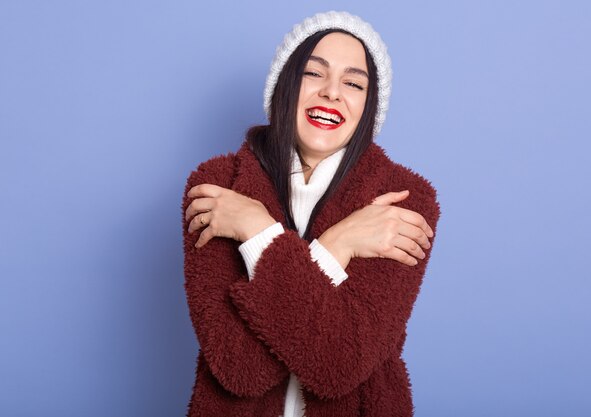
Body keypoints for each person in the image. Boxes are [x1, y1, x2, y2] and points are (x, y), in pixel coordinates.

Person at [182, 11, 441, 417]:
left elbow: (339, 367)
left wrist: (258, 234)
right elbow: (240, 369)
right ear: (284, 85)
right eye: (313, 74)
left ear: (369, 107)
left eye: (354, 83)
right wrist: (336, 247)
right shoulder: (218, 188)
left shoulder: (402, 201)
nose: (333, 93)